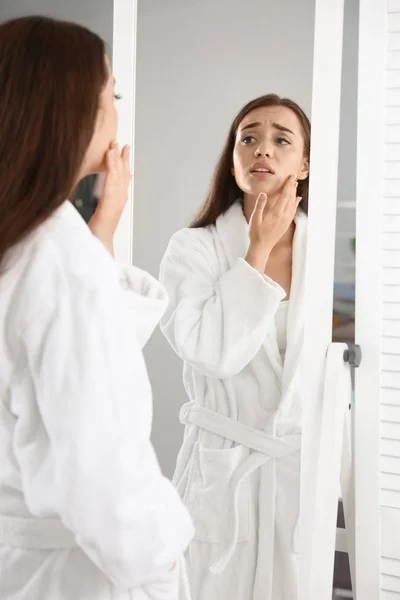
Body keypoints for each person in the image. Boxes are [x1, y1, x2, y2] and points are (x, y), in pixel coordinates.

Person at [0, 15, 194, 600]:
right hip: (77, 574)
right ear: (66, 111)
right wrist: (162, 571)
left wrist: (100, 228)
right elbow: (105, 478)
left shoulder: (31, 243)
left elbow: (52, 374)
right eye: (112, 95)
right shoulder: (58, 261)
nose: (116, 112)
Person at [159, 94, 310, 600]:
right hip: (222, 475)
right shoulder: (194, 248)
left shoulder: (323, 251)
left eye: (280, 139)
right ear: (233, 160)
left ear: (304, 164)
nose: (262, 148)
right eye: (248, 138)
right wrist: (258, 251)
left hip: (299, 474)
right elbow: (213, 354)